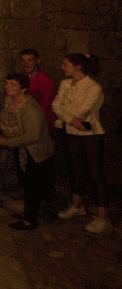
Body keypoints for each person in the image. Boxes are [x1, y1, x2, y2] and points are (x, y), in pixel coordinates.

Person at [52, 54, 110, 233]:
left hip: (91, 133)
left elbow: (81, 110)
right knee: (75, 169)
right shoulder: (64, 84)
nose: (62, 67)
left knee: (94, 172)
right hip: (72, 132)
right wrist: (71, 120)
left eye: (65, 64)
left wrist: (66, 116)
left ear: (78, 67)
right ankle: (77, 206)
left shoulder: (94, 87)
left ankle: (102, 216)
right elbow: (55, 105)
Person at [0, 73, 54, 230]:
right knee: (26, 183)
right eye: (7, 83)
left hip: (35, 152)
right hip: (21, 149)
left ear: (24, 88)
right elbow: (5, 119)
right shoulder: (8, 100)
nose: (8, 87)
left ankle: (30, 220)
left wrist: (6, 142)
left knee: (33, 186)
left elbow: (33, 135)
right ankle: (29, 212)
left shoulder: (31, 108)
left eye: (13, 84)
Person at [20, 49, 57, 129]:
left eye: (30, 60)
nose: (26, 64)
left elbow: (42, 106)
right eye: (23, 60)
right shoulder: (21, 79)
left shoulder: (46, 81)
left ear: (38, 61)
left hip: (41, 123)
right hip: (24, 121)